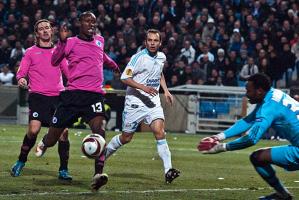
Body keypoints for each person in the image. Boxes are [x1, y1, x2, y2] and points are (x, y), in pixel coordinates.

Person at [35, 11, 119, 192]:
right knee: (52, 139)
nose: (91, 24)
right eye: (87, 21)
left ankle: (98, 175)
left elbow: (100, 56)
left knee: (100, 131)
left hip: (94, 95)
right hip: (73, 96)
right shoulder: (70, 42)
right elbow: (54, 60)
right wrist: (62, 42)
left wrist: (113, 65)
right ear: (79, 23)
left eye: (94, 22)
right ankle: (44, 142)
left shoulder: (100, 40)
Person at [198, 73, 298, 200]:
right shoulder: (273, 94)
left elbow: (252, 138)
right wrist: (218, 136)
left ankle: (283, 196)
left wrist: (221, 147)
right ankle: (283, 195)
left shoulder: (268, 107)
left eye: (249, 91)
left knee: (258, 158)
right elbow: (248, 120)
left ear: (259, 91)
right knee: (260, 157)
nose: (246, 94)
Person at [104, 29, 180, 184]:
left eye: (155, 41)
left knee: (159, 131)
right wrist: (143, 87)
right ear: (145, 42)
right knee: (126, 138)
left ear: (160, 43)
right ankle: (102, 156)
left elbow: (159, 73)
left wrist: (165, 90)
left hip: (153, 102)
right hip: (135, 103)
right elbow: (125, 77)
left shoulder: (161, 57)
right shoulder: (138, 58)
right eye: (150, 40)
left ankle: (168, 170)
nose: (152, 43)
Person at [10, 19, 72, 180]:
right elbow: (21, 72)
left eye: (47, 28)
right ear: (36, 34)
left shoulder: (59, 51)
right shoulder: (30, 52)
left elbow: (69, 73)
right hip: (38, 96)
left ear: (52, 31)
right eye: (41, 29)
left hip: (58, 97)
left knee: (63, 133)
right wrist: (21, 79)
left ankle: (63, 170)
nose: (45, 31)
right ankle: (20, 161)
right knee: (33, 130)